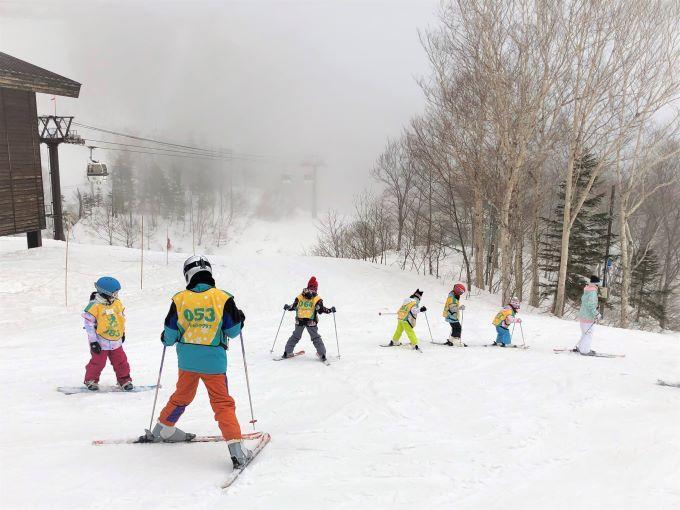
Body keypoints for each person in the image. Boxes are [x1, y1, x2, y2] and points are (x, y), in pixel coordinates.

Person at [142, 255, 250, 469]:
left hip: (187, 361)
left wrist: (166, 337)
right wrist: (241, 319)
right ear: (209, 272)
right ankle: (237, 451)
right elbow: (233, 331)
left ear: (187, 274)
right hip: (214, 362)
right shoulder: (223, 298)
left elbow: (170, 337)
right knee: (221, 403)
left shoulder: (179, 299)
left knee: (182, 396)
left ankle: (164, 429)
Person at [82, 277, 133, 391]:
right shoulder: (94, 306)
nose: (117, 295)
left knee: (121, 362)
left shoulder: (117, 303)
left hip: (116, 341)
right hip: (100, 342)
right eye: (115, 293)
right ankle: (91, 380)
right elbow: (89, 326)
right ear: (106, 293)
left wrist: (122, 332)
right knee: (97, 363)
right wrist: (93, 342)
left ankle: (124, 380)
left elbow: (121, 318)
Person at [282, 276, 335, 362]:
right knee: (315, 338)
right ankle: (322, 354)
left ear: (308, 286)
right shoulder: (316, 298)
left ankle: (287, 352)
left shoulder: (300, 296)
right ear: (316, 288)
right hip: (311, 322)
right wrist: (330, 310)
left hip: (300, 321)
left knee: (295, 336)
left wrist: (288, 307)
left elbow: (293, 306)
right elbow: (320, 310)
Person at [574, 275, 601, 355]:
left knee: (585, 333)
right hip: (588, 317)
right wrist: (597, 314)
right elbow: (591, 305)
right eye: (598, 285)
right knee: (588, 334)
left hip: (583, 315)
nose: (598, 286)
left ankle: (582, 348)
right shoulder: (592, 292)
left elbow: (588, 303)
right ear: (596, 284)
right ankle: (585, 350)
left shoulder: (587, 290)